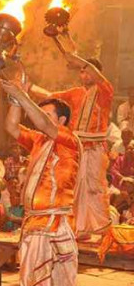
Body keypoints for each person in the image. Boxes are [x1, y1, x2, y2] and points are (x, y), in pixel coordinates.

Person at [2, 78, 84, 286]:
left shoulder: (69, 140)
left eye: (47, 113)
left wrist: (23, 94)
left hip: (56, 224)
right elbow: (12, 127)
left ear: (61, 119)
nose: (40, 117)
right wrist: (15, 100)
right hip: (35, 225)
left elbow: (45, 125)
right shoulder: (39, 141)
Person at [28, 30, 112, 234]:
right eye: (81, 72)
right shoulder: (75, 93)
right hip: (75, 148)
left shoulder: (104, 90)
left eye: (87, 72)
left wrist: (75, 57)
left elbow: (90, 69)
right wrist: (27, 87)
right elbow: (50, 96)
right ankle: (78, 229)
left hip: (94, 148)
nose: (83, 75)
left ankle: (101, 230)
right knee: (73, 187)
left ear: (96, 74)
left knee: (94, 189)